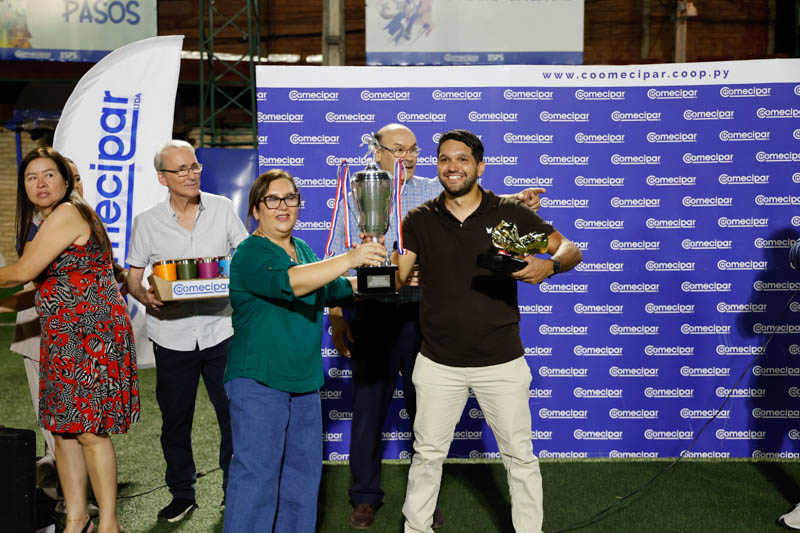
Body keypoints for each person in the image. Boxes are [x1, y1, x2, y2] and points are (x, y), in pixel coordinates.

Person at [327, 123, 544, 529]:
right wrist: (337, 313)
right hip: (371, 312)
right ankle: (366, 496)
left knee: (422, 410)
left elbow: (475, 203)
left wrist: (519, 201)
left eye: (412, 150)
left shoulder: (429, 190)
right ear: (376, 153)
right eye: (397, 150)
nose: (406, 157)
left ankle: (422, 503)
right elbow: (341, 259)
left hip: (418, 314)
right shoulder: (357, 191)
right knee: (369, 404)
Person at [394, 130, 582, 533]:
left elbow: (569, 249)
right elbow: (398, 277)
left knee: (519, 456)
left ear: (480, 167)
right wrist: (377, 261)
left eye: (462, 159)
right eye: (444, 159)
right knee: (426, 455)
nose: (452, 166)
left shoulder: (507, 216)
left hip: (501, 360)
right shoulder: (420, 219)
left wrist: (550, 266)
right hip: (437, 362)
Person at [222, 169, 386, 532]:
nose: (283, 206)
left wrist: (386, 277)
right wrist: (350, 258)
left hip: (304, 383)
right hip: (259, 380)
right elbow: (291, 283)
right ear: (255, 209)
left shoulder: (304, 250)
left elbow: (339, 288)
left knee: (303, 477)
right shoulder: (251, 252)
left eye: (291, 198)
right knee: (257, 477)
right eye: (273, 199)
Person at [0, 146, 139, 533]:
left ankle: (109, 523)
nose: (40, 183)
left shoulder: (67, 213)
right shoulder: (55, 221)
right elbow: (44, 286)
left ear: (66, 180)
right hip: (64, 337)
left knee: (90, 431)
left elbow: (23, 271)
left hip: (89, 336)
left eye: (48, 175)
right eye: (31, 177)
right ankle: (77, 519)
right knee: (63, 429)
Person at [126, 140, 248, 522]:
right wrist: (146, 297)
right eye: (181, 170)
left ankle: (235, 492)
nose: (192, 174)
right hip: (171, 336)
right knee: (175, 421)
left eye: (194, 166)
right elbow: (133, 278)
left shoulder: (224, 208)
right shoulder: (146, 221)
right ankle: (182, 493)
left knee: (233, 416)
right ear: (163, 178)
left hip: (221, 331)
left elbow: (243, 259)